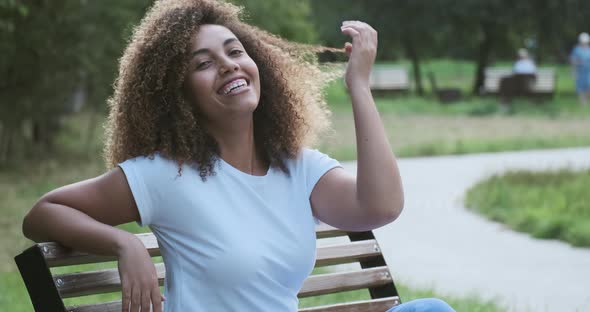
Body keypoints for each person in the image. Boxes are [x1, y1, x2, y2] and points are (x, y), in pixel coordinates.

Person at [21, 0, 455, 311]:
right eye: (202, 63)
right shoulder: (165, 175)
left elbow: (380, 206)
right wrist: (123, 243)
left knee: (430, 310)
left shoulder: (298, 167)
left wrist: (359, 86)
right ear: (178, 96)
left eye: (234, 52)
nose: (229, 65)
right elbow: (43, 212)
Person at [570, 32, 590, 106]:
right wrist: (573, 71)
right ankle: (582, 103)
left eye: (585, 41)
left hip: (588, 71)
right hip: (580, 71)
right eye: (583, 41)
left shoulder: (589, 50)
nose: (584, 43)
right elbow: (573, 60)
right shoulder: (576, 50)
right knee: (580, 87)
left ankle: (586, 101)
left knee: (589, 86)